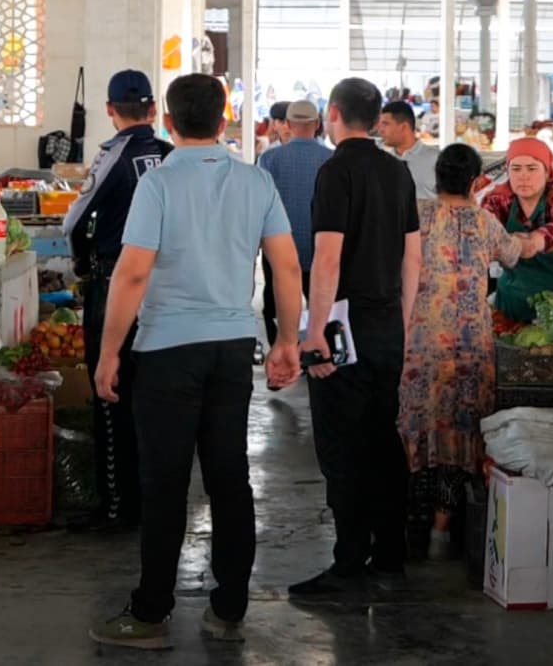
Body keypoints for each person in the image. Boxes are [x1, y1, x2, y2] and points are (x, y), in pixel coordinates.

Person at [88, 74, 303, 650]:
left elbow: (132, 274)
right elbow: (285, 268)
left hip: (166, 352)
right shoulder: (256, 181)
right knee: (230, 477)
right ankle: (228, 606)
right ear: (225, 117)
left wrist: (109, 351)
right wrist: (286, 340)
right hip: (232, 348)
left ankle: (151, 613)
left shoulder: (158, 185)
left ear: (168, 120)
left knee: (164, 484)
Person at [290, 77, 421, 600]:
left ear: (335, 114)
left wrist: (316, 333)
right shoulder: (398, 172)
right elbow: (413, 256)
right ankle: (390, 555)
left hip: (345, 326)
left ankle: (348, 565)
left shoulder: (335, 171)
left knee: (342, 447)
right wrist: (404, 322)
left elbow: (327, 257)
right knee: (382, 441)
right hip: (388, 322)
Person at [399, 144, 542, 560]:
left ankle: (409, 520)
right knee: (458, 434)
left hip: (420, 341)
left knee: (416, 425)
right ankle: (443, 531)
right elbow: (518, 255)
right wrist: (538, 236)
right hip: (469, 345)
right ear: (477, 181)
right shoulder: (485, 223)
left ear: (437, 176)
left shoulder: (417, 216)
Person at [62, 69, 173, 532]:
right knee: (156, 396)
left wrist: (84, 266)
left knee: (110, 391)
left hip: (115, 283)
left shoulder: (114, 155)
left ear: (110, 111)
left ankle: (115, 508)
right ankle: (155, 502)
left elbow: (74, 222)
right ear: (152, 109)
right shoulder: (171, 156)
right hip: (166, 287)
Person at [481, 137, 553, 322]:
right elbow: (482, 233)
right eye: (516, 169)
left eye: (532, 168)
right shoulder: (498, 200)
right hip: (510, 302)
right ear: (508, 172)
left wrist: (534, 242)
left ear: (546, 172)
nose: (523, 176)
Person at [256, 99, 331, 347]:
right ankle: (312, 349)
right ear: (317, 125)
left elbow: (261, 205)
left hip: (278, 247)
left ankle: (282, 350)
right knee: (318, 302)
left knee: (276, 301)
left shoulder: (269, 159)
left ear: (287, 124)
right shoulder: (331, 160)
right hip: (319, 247)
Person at [377, 100, 438, 200]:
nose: (380, 130)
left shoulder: (436, 159)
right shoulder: (382, 159)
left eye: (385, 124)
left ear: (403, 127)